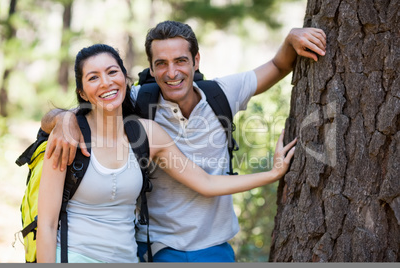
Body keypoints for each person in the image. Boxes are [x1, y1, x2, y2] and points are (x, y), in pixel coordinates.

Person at [41, 21, 326, 262]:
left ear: (196, 61)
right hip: (156, 248)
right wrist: (65, 120)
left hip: (214, 246)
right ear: (150, 69)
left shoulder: (222, 94)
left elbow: (278, 64)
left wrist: (291, 39)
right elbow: (86, 107)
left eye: (180, 61)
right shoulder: (138, 100)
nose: (172, 72)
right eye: (161, 64)